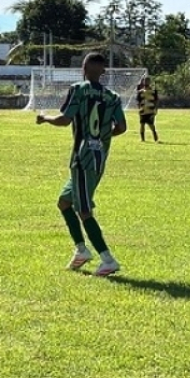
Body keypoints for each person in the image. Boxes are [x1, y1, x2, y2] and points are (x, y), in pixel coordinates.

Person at [36, 52, 127, 277]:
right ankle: (81, 250)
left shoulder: (78, 89)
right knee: (64, 202)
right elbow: (122, 127)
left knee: (84, 210)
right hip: (98, 160)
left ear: (83, 68)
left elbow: (65, 119)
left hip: (82, 158)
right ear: (103, 72)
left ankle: (107, 259)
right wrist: (103, 138)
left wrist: (45, 118)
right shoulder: (113, 97)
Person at [136, 76, 160, 143]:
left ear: (150, 82)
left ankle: (155, 138)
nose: (146, 82)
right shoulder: (140, 92)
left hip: (150, 110)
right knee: (142, 124)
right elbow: (138, 101)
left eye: (148, 81)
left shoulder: (153, 91)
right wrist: (139, 108)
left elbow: (156, 101)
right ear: (143, 82)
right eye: (145, 81)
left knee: (151, 125)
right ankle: (142, 139)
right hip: (142, 110)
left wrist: (156, 109)